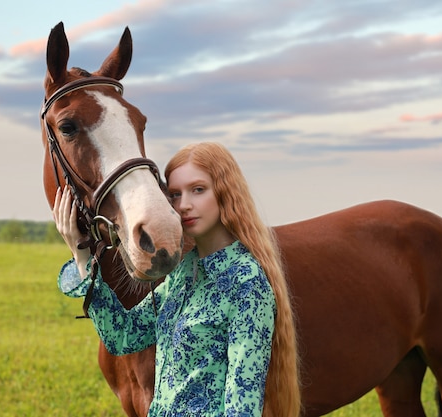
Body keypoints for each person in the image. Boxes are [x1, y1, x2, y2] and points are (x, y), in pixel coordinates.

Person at [54, 142, 301, 416]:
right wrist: (82, 257)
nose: (184, 205)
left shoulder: (246, 282)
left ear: (225, 192)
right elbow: (123, 335)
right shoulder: (185, 271)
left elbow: (242, 405)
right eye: (174, 194)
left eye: (198, 190)